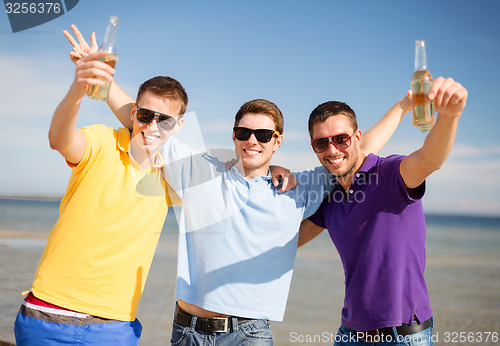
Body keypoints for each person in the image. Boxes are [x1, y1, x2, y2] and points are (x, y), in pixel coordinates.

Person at [63, 25, 411, 345]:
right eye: (244, 133)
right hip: (188, 331)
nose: (252, 141)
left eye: (262, 135)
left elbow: (359, 152)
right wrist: (100, 78)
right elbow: (147, 122)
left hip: (250, 334)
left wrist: (403, 105)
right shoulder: (200, 172)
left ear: (277, 141)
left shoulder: (300, 187)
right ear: (234, 135)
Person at [14, 48, 188, 344]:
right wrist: (78, 91)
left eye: (165, 121)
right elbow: (60, 139)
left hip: (115, 327)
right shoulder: (102, 141)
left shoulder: (175, 177)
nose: (153, 127)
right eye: (145, 116)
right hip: (47, 315)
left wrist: (271, 164)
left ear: (178, 126)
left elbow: (238, 175)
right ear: (134, 113)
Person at [299, 77, 468, 345]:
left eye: (341, 139)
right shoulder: (329, 196)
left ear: (357, 138)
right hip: (349, 333)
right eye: (322, 143)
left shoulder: (388, 175)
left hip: (402, 336)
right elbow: (287, 241)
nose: (332, 149)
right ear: (314, 148)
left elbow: (429, 160)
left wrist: (449, 117)